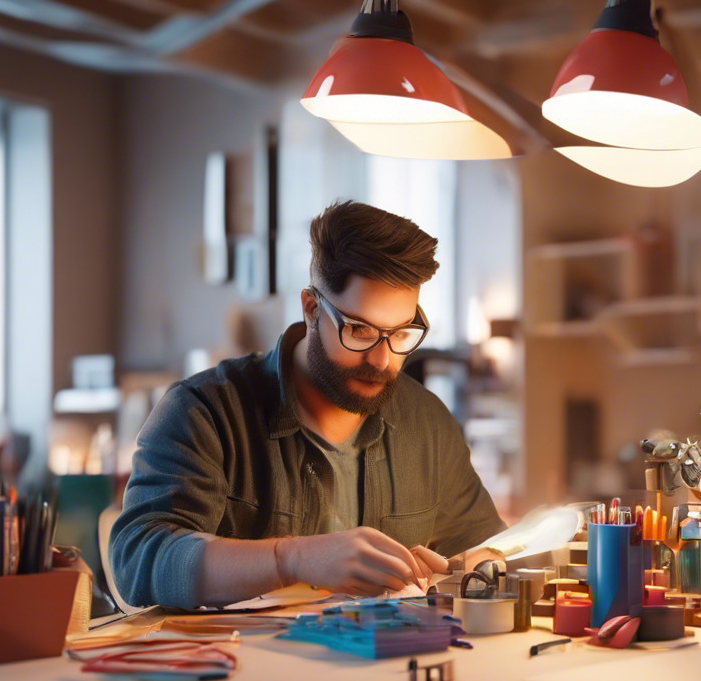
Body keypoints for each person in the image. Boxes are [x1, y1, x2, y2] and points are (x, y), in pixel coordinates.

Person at [110, 200, 506, 608]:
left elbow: (488, 546)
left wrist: (483, 562)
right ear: (312, 308)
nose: (382, 360)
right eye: (359, 329)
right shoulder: (204, 413)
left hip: (391, 664)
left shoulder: (427, 423)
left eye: (401, 333)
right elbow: (139, 560)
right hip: (247, 668)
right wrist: (293, 559)